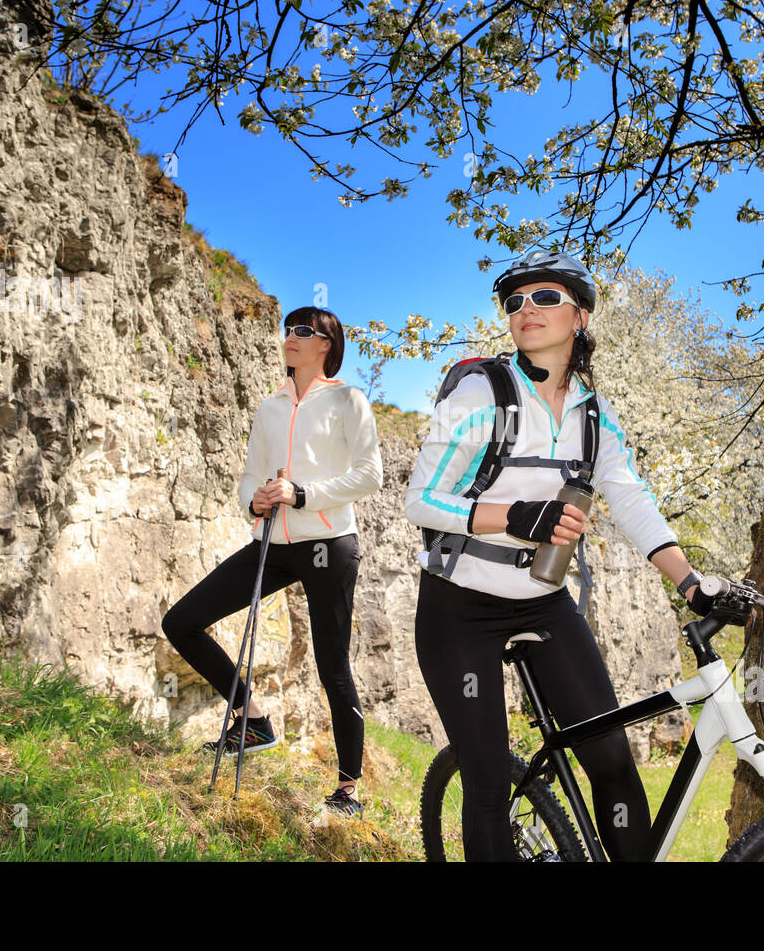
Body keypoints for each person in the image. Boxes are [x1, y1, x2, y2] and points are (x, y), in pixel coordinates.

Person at [404, 248, 720, 860]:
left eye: (545, 297)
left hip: (544, 603)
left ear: (579, 317)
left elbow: (632, 501)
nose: (527, 309)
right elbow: (420, 501)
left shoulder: (594, 417)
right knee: (489, 781)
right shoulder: (480, 394)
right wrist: (516, 516)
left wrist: (690, 582)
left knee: (613, 764)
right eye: (515, 301)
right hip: (458, 608)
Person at [162, 306, 383, 818]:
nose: (290, 337)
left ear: (326, 343)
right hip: (272, 543)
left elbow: (370, 475)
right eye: (288, 328)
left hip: (330, 544)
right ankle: (252, 720)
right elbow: (249, 474)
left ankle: (348, 791)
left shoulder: (348, 399)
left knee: (333, 666)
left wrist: (302, 493)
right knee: (182, 622)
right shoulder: (270, 407)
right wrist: (254, 500)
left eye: (302, 330)